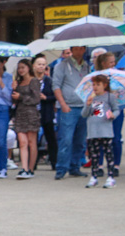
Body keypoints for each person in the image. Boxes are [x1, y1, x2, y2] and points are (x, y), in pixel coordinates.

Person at [53, 45, 90, 180]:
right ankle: (61, 168)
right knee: (66, 139)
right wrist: (62, 104)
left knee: (80, 140)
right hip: (68, 107)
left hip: (83, 106)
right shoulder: (61, 66)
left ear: (84, 50)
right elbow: (56, 85)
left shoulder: (87, 66)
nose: (79, 52)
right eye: (76, 49)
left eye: (81, 49)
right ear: (72, 49)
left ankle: (75, 167)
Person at [81, 74, 120, 189]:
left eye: (98, 85)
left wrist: (113, 115)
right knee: (94, 155)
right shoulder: (90, 97)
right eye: (94, 84)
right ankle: (94, 176)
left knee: (108, 154)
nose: (95, 87)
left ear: (105, 85)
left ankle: (111, 177)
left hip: (105, 130)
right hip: (93, 131)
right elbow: (84, 114)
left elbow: (117, 109)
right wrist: (87, 105)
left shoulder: (109, 97)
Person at [11, 58, 41, 180]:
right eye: (19, 68)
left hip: (31, 114)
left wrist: (21, 96)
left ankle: (31, 168)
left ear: (28, 68)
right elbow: (13, 100)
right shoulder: (18, 82)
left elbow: (36, 99)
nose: (21, 70)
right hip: (20, 114)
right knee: (22, 142)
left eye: (23, 67)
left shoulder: (34, 81)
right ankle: (24, 168)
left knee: (31, 142)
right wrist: (13, 90)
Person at [94, 52, 121, 176]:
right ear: (104, 63)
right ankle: (99, 165)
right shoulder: (95, 76)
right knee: (99, 136)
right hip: (99, 106)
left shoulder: (118, 75)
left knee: (115, 137)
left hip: (114, 107)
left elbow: (122, 91)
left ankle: (116, 165)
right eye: (111, 62)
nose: (113, 64)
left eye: (114, 61)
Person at [33, 55, 57, 171]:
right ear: (34, 66)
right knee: (34, 139)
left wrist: (46, 98)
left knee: (51, 138)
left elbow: (55, 96)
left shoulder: (49, 81)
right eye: (39, 64)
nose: (41, 66)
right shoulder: (30, 80)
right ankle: (33, 163)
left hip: (47, 113)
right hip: (33, 113)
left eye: (43, 64)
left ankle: (54, 162)